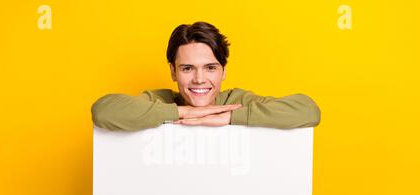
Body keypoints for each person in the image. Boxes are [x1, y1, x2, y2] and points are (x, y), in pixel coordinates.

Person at [91, 21, 321, 131]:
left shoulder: (237, 102)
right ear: (173, 71)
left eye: (210, 67)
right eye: (187, 68)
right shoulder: (159, 100)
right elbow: (103, 111)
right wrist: (185, 112)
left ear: (224, 71)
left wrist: (231, 117)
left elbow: (308, 110)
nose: (199, 79)